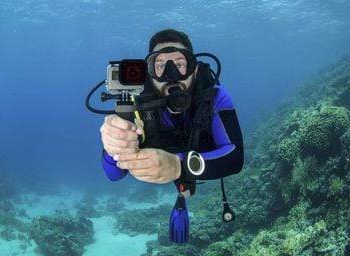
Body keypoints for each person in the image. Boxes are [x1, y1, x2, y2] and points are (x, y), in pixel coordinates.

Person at [99, 29, 244, 242]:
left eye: (180, 63)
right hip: (169, 154)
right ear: (149, 73)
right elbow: (113, 174)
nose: (170, 74)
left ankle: (182, 194)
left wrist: (179, 166)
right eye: (160, 66)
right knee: (184, 184)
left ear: (194, 69)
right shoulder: (135, 102)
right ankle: (182, 192)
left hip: (197, 155)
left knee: (186, 187)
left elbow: (235, 157)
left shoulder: (215, 97)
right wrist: (115, 146)